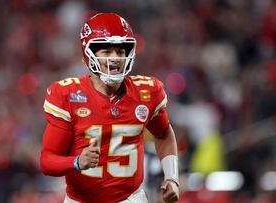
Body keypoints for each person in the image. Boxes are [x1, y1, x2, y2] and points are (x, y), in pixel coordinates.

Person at [40, 13, 179, 203]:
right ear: (89, 54)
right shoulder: (69, 95)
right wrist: (77, 162)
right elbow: (47, 161)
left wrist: (172, 177)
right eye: (106, 52)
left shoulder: (146, 92)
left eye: (120, 52)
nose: (115, 59)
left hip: (130, 198)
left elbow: (163, 134)